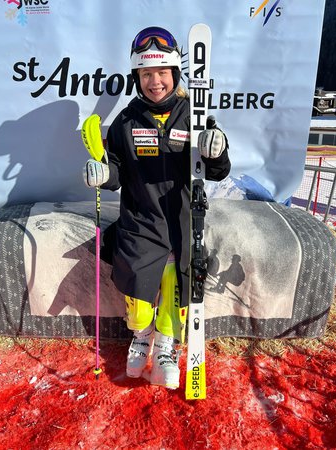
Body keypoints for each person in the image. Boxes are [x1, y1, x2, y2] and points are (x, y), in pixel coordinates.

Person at [83, 26, 230, 389]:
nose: (155, 81)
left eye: (162, 72)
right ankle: (142, 336)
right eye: (146, 74)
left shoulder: (193, 115)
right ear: (137, 77)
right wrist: (104, 173)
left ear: (174, 74)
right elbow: (116, 170)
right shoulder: (126, 121)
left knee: (174, 285)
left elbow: (216, 169)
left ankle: (166, 345)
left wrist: (216, 149)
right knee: (138, 296)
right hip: (140, 222)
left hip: (181, 222)